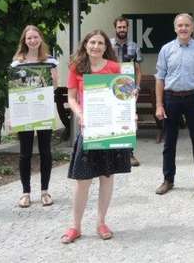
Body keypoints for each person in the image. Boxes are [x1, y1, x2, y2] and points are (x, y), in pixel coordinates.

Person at [61, 30, 132, 243]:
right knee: (83, 180)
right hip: (88, 128)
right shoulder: (76, 68)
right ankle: (75, 226)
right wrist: (80, 114)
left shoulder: (115, 68)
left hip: (110, 129)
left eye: (100, 43)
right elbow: (71, 98)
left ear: (105, 47)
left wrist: (130, 106)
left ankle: (101, 222)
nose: (96, 46)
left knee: (107, 177)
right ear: (85, 45)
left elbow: (125, 96)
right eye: (92, 42)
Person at [154, 13, 194, 195]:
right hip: (171, 99)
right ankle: (168, 180)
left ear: (192, 27)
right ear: (175, 28)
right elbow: (160, 78)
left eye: (187, 25)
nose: (183, 28)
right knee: (169, 142)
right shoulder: (166, 49)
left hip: (193, 99)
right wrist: (159, 104)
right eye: (180, 25)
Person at [9, 25, 58, 208]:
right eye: (29, 38)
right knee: (25, 153)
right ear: (24, 40)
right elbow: (13, 92)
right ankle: (25, 193)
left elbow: (55, 84)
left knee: (45, 151)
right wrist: (11, 116)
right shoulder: (17, 63)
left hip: (43, 110)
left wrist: (49, 79)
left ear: (40, 39)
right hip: (24, 113)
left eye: (35, 37)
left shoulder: (50, 60)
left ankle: (45, 191)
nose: (32, 41)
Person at [110, 16, 142, 166]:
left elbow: (138, 70)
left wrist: (137, 87)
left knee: (128, 120)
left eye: (124, 27)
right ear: (115, 28)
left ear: (127, 28)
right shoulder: (107, 45)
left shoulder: (134, 46)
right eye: (119, 27)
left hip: (127, 87)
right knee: (111, 119)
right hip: (109, 86)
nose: (122, 30)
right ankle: (113, 154)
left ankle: (129, 154)